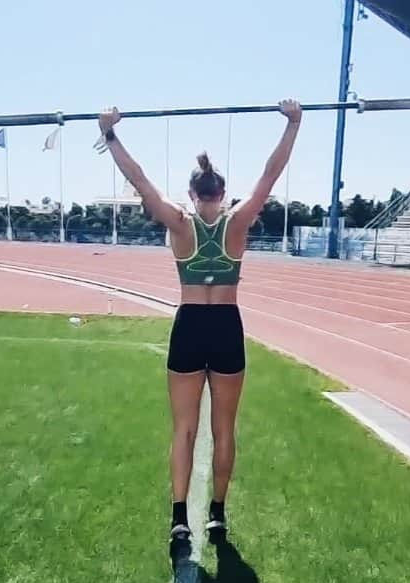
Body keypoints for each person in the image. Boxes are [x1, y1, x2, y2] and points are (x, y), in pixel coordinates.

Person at [97, 99, 302, 547]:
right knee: (224, 428)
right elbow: (271, 175)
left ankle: (178, 518)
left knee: (184, 428)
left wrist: (110, 134)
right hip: (226, 325)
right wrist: (293, 124)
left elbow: (139, 180)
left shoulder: (177, 222)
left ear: (193, 194)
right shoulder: (239, 221)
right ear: (222, 193)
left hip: (189, 326)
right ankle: (216, 515)